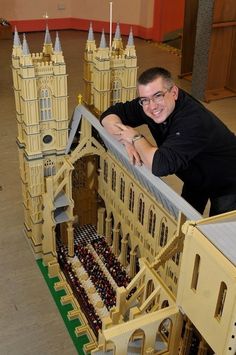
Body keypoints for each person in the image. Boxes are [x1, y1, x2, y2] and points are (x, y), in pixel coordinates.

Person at [100, 67, 236, 216]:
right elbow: (108, 116)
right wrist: (125, 140)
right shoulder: (149, 106)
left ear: (174, 92)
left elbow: (160, 165)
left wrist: (135, 137)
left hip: (228, 181)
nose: (152, 106)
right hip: (196, 174)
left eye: (158, 96)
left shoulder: (192, 120)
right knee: (184, 222)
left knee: (218, 232)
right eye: (145, 99)